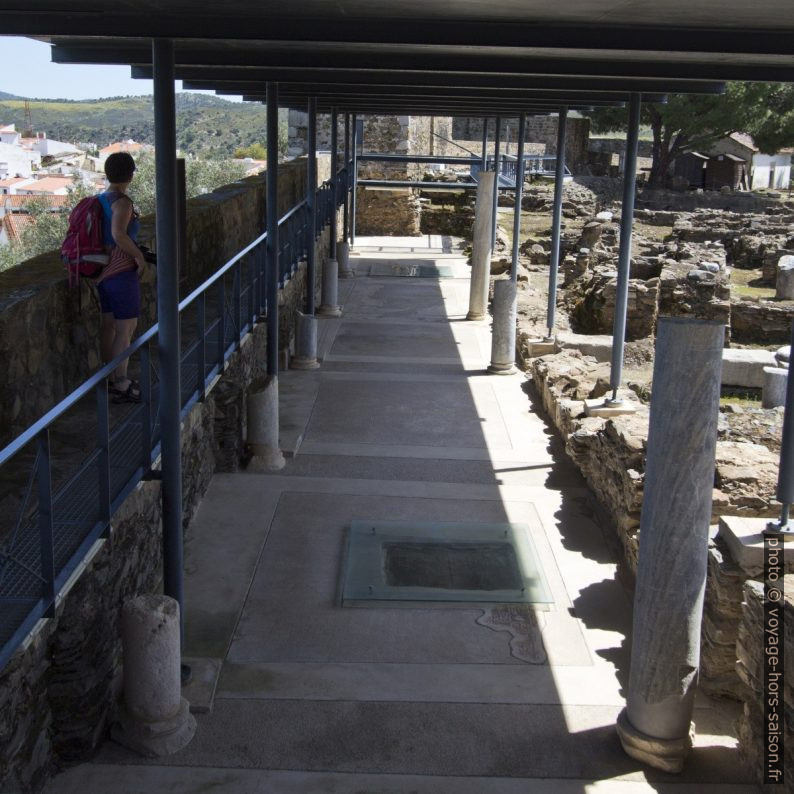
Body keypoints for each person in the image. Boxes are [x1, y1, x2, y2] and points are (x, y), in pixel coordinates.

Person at [95, 151, 147, 403]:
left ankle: (108, 376)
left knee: (108, 325)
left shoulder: (100, 199)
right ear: (130, 174)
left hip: (102, 272)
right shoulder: (122, 202)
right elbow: (119, 235)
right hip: (121, 271)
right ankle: (120, 381)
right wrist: (139, 257)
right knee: (126, 327)